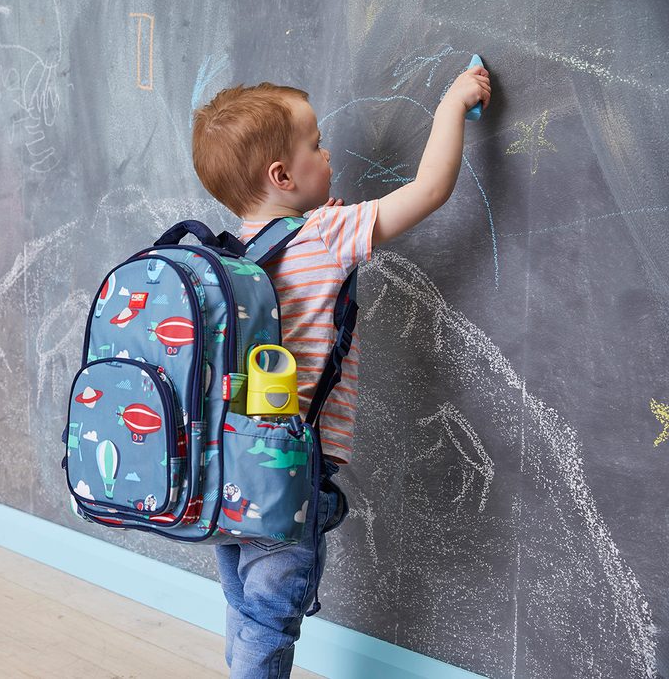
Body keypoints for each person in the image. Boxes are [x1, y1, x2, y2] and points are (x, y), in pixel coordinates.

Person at [191, 65, 491, 677]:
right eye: (317, 144)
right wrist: (453, 104)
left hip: (227, 462)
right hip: (287, 466)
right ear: (283, 176)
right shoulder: (325, 233)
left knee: (247, 606)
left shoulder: (231, 256)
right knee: (272, 612)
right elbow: (430, 189)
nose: (328, 155)